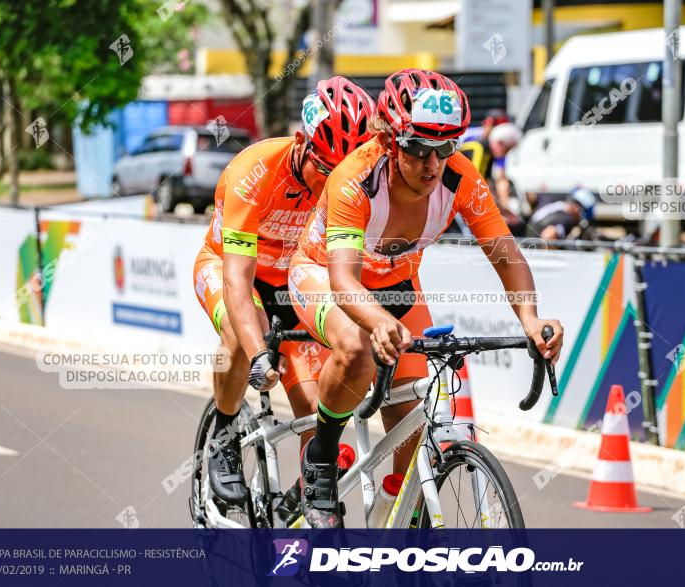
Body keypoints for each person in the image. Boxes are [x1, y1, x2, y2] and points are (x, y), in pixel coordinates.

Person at [289, 69, 564, 528]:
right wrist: (375, 321)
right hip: (323, 274)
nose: (431, 164)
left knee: (415, 428)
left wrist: (531, 320)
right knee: (356, 346)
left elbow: (506, 253)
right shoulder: (357, 177)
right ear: (390, 139)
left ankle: (387, 541)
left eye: (445, 147)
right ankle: (320, 455)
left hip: (397, 285)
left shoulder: (459, 178)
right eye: (417, 148)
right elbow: (342, 278)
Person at [192, 77, 375, 510]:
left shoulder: (349, 186)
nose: (335, 182)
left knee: (316, 412)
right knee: (241, 334)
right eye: (327, 168)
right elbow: (238, 280)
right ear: (301, 143)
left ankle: (297, 505)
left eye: (344, 170)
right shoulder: (252, 171)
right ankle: (223, 432)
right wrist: (259, 353)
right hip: (232, 271)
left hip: (292, 283)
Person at [457, 117, 524, 234]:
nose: (506, 154)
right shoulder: (479, 148)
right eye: (507, 149)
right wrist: (497, 212)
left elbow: (487, 182)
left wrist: (503, 209)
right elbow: (474, 184)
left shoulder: (490, 151)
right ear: (499, 143)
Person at [526, 186, 596, 241]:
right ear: (578, 208)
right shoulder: (566, 218)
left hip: (528, 243)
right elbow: (549, 235)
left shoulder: (556, 204)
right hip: (535, 254)